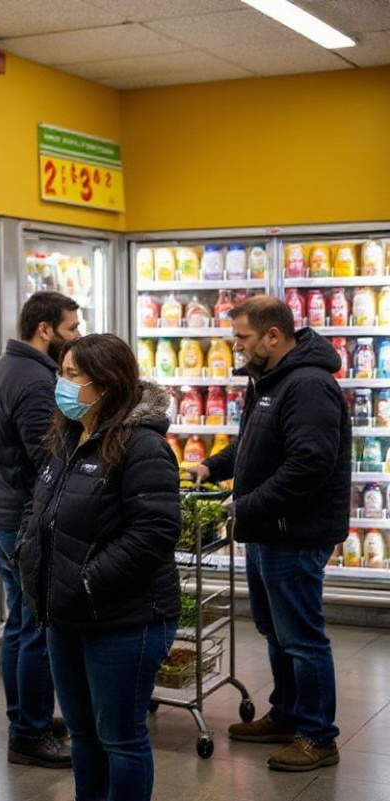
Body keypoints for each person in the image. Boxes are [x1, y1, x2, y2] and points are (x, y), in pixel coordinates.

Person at [16, 333, 180, 801]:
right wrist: (29, 551)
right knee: (83, 735)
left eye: (72, 376)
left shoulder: (142, 447)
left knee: (121, 739)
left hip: (124, 620)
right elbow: (38, 505)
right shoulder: (68, 436)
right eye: (61, 373)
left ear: (104, 386)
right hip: (65, 616)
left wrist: (85, 581)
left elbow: (154, 533)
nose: (60, 384)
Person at [188, 296, 348, 772]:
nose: (236, 346)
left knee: (301, 638)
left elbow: (309, 464)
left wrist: (246, 505)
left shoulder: (308, 385)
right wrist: (211, 467)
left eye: (242, 337)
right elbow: (254, 443)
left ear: (272, 336)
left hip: (293, 533)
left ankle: (319, 737)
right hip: (266, 530)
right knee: (275, 631)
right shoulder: (269, 381)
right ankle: (287, 715)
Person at [0, 290, 80, 768]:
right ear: (45, 330)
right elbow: (48, 462)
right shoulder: (38, 382)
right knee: (37, 628)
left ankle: (24, 717)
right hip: (28, 524)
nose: (77, 337)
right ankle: (30, 732)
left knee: (19, 624)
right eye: (71, 329)